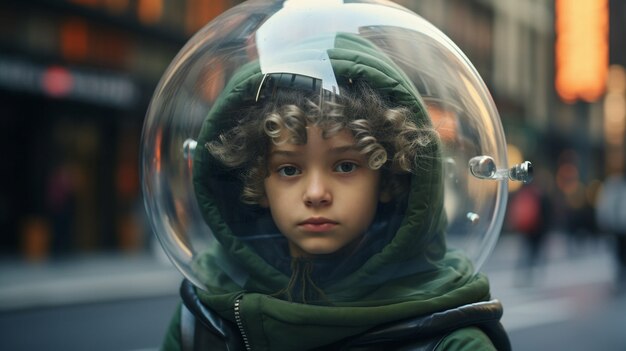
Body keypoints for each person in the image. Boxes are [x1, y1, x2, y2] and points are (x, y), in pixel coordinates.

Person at [158, 32, 510, 351]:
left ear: (387, 178)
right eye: (289, 169)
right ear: (255, 182)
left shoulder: (453, 343)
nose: (315, 193)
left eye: (345, 166)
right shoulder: (205, 321)